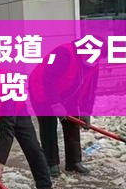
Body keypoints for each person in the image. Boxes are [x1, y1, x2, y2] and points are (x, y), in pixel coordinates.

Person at [29, 43, 99, 177]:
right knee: (48, 126)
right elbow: (47, 79)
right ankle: (51, 163)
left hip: (68, 93)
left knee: (72, 124)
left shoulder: (94, 62)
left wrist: (85, 111)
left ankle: (74, 162)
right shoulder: (63, 54)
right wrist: (55, 104)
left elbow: (91, 89)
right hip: (41, 90)